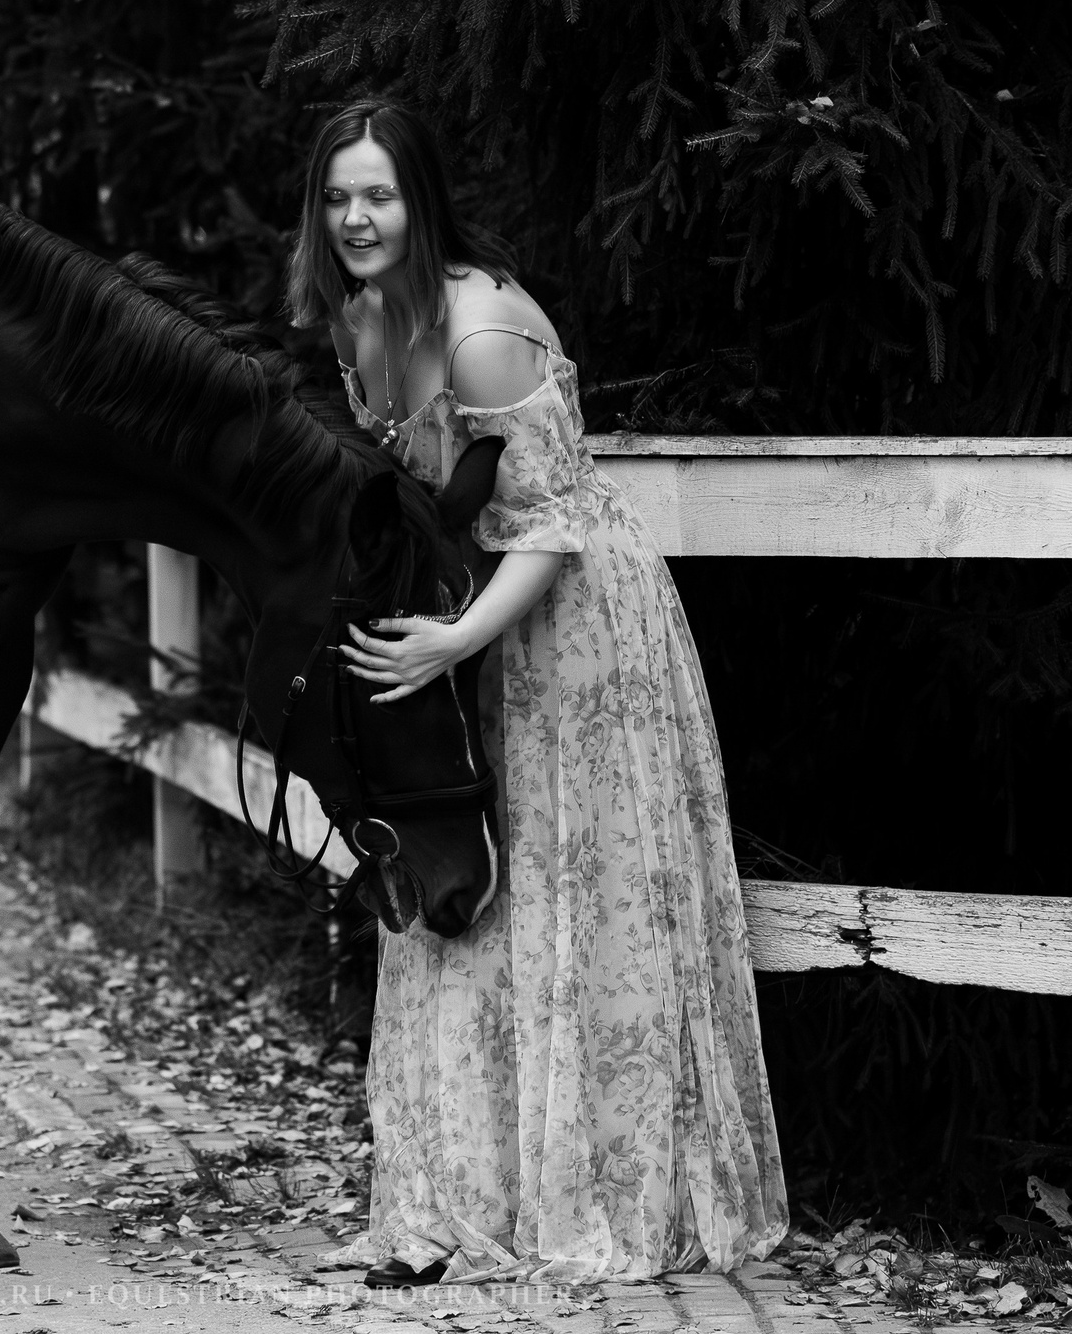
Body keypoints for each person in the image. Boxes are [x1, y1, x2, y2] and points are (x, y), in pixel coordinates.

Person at [295, 98, 788, 1285]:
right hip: (466, 635)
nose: (357, 216)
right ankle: (463, 1193)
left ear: (422, 202)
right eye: (337, 195)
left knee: (577, 900)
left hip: (568, 631)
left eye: (381, 193)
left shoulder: (476, 331)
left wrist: (452, 640)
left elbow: (557, 519)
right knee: (465, 898)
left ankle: (596, 1192)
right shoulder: (361, 323)